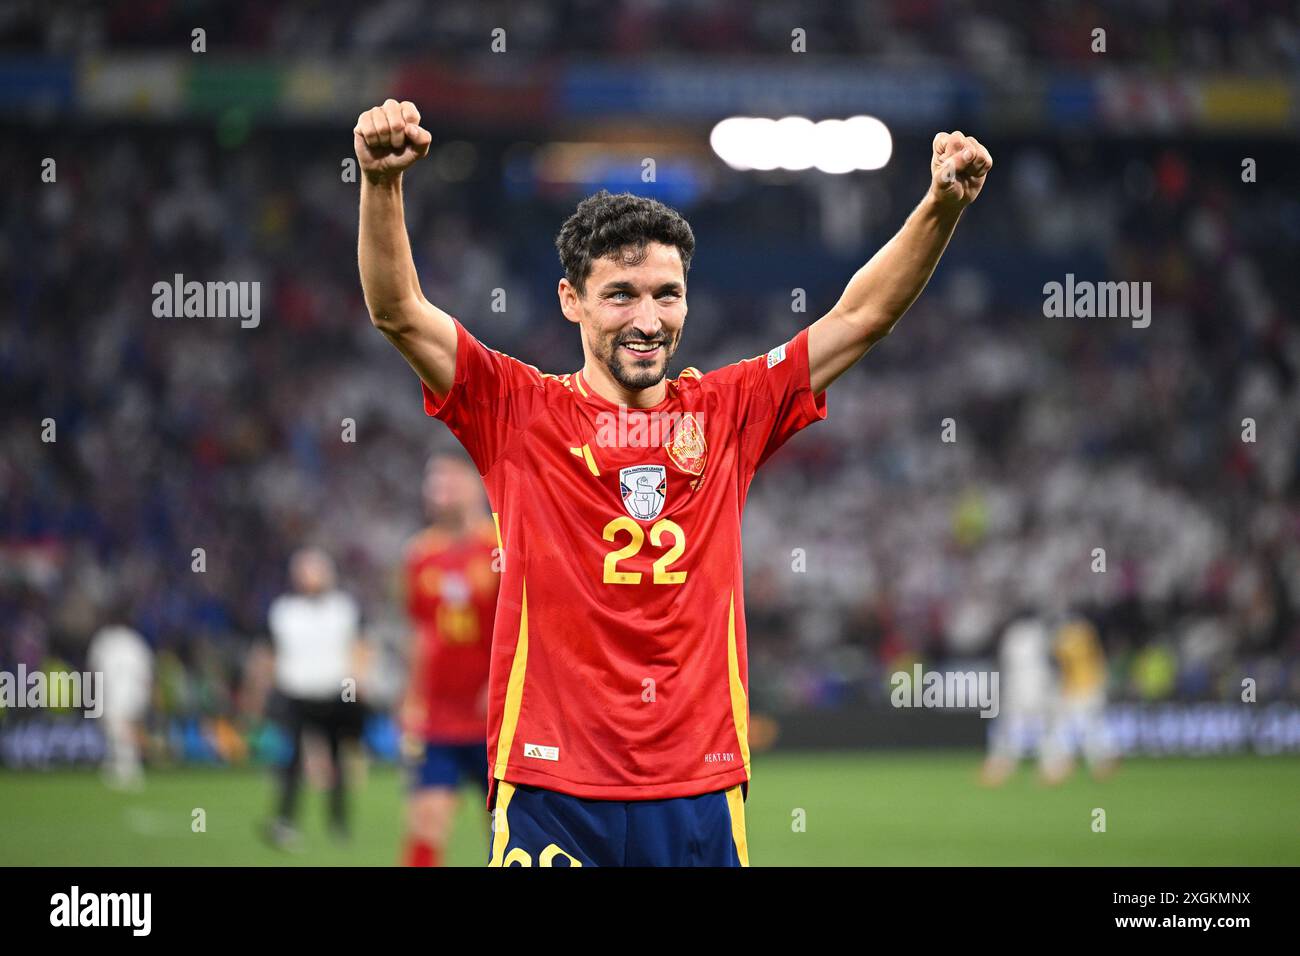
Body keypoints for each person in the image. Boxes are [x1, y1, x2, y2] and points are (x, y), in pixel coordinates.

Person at [355, 98, 991, 866]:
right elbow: (398, 312)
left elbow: (861, 317)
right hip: (552, 785)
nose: (648, 319)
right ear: (572, 301)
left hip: (698, 786)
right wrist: (381, 183)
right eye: (621, 294)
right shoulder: (516, 411)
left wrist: (940, 207)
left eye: (667, 293)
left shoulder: (728, 411)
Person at [400, 452, 499, 866]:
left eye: (448, 478)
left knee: (503, 825)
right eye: (432, 479)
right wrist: (410, 697)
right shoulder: (419, 554)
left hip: (494, 714)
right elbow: (421, 633)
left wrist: (501, 684)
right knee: (426, 820)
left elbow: (521, 626)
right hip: (440, 714)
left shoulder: (499, 545)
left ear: (473, 483)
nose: (439, 488)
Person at [263, 548, 364, 849]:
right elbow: (270, 653)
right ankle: (286, 820)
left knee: (337, 760)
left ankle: (338, 822)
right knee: (291, 760)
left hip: (335, 694)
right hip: (295, 694)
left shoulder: (343, 608)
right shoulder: (284, 611)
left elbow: (359, 647)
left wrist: (356, 683)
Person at [980, 614, 1055, 787]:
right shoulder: (1039, 632)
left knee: (1011, 726)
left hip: (1020, 686)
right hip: (1037, 684)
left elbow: (1004, 662)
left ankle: (1001, 765)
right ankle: (1049, 767)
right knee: (1039, 728)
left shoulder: (1014, 634)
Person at [87, 620, 154, 790]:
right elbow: (147, 671)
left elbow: (94, 669)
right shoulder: (136, 640)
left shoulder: (104, 639)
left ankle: (127, 768)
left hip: (113, 692)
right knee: (124, 729)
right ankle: (119, 765)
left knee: (117, 729)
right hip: (135, 693)